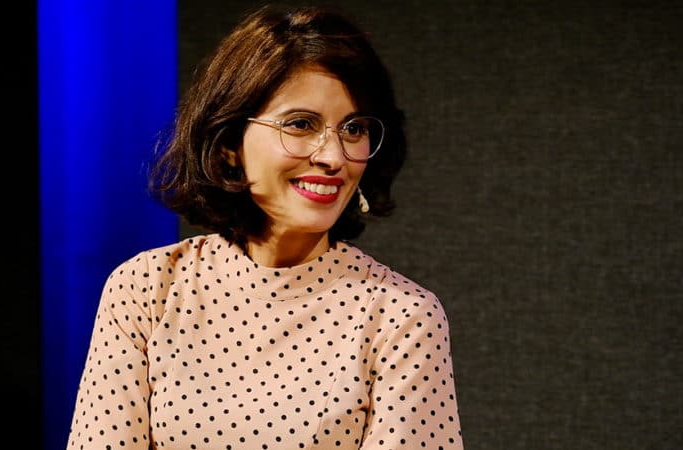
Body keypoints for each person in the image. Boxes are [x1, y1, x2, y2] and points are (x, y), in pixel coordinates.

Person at [66, 4, 463, 449]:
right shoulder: (147, 289)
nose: (333, 157)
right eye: (301, 124)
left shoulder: (401, 317)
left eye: (354, 129)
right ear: (230, 143)